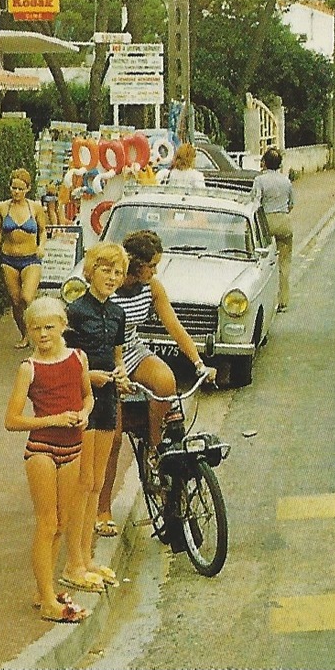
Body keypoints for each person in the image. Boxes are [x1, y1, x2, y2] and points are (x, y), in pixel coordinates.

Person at [93, 230, 213, 539]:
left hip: (133, 351)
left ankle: (155, 446)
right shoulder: (110, 288)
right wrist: (114, 375)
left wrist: (199, 363)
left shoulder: (152, 288)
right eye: (152, 266)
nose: (156, 272)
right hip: (105, 361)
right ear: (136, 265)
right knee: (114, 438)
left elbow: (174, 325)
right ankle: (103, 507)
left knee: (165, 380)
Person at [3, 296, 93, 624]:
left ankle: (45, 590)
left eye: (49, 327)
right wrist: (52, 420)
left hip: (73, 449)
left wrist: (83, 414)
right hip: (41, 450)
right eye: (36, 329)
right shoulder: (29, 368)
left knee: (62, 522)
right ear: (28, 332)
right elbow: (12, 420)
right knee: (46, 522)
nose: (43, 334)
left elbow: (87, 396)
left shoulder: (78, 359)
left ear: (63, 327)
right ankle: (47, 602)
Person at [64, 242, 130, 594]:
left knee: (98, 479)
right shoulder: (75, 312)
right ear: (91, 271)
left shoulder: (117, 314)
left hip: (108, 400)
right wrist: (91, 378)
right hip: (83, 400)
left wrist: (121, 376)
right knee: (83, 480)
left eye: (118, 272)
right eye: (106, 270)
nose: (112, 277)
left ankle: (87, 558)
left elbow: (116, 356)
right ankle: (73, 562)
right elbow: (64, 362)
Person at [0, 169, 48, 348]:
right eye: (13, 188)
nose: (16, 192)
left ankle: (40, 332)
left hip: (30, 258)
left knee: (27, 297)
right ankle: (24, 335)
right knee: (16, 301)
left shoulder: (35, 208)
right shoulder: (2, 207)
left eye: (20, 189)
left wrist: (41, 246)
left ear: (28, 189)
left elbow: (43, 230)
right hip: (8, 259)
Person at [255, 147, 295, 311]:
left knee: (262, 261)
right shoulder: (286, 181)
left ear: (264, 163)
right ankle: (283, 301)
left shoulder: (260, 180)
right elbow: (291, 203)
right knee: (284, 262)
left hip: (266, 221)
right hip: (284, 220)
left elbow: (256, 201)